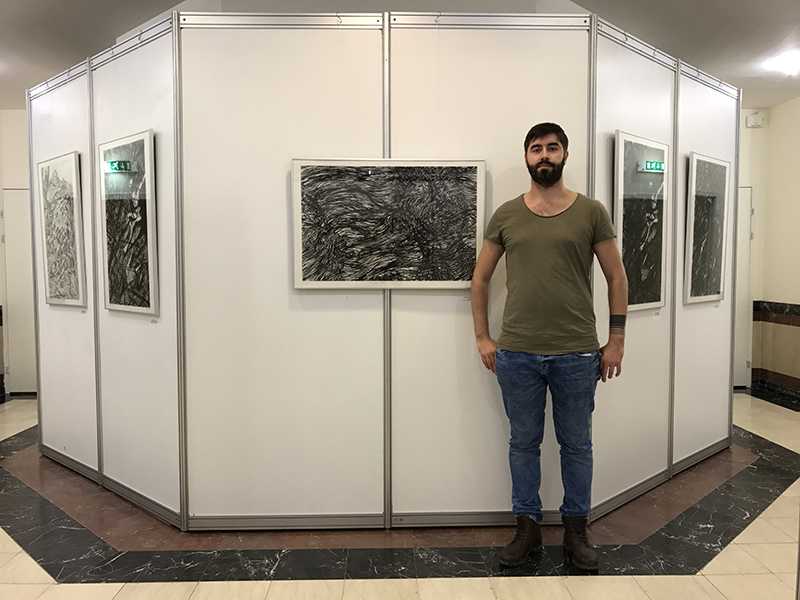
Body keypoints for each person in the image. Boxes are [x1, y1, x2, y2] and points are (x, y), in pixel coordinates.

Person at [470, 122, 628, 570]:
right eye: (536, 148)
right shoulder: (505, 215)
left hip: (578, 353)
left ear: (565, 155)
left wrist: (616, 338)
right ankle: (528, 529)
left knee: (577, 445)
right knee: (523, 443)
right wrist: (483, 337)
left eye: (552, 148)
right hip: (517, 353)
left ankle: (577, 532)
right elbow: (480, 279)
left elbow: (616, 276)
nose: (544, 155)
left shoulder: (591, 212)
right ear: (525, 157)